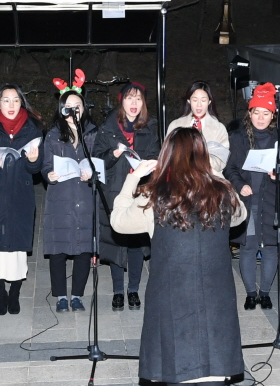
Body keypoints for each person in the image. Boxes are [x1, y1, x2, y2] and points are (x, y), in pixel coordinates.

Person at [111, 127, 247, 386]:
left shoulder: (155, 199)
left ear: (168, 156)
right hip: (215, 303)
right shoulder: (222, 195)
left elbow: (118, 221)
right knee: (214, 385)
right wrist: (215, 176)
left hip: (173, 304)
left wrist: (134, 179)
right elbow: (241, 217)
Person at [227, 84, 280, 309]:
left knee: (270, 248)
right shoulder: (238, 138)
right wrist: (239, 185)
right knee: (248, 247)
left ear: (273, 114)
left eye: (266, 112)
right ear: (249, 113)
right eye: (256, 112)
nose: (261, 117)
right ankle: (251, 293)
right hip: (248, 201)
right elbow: (229, 168)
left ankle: (265, 292)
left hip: (273, 200)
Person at [0, 84, 44, 315]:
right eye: (6, 100)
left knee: (17, 251)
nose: (11, 105)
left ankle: (14, 293)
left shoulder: (33, 128)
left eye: (16, 100)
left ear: (22, 102)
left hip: (20, 195)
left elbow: (36, 168)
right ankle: (0, 295)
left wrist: (33, 161)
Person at [92, 81, 160, 311]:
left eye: (138, 99)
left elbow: (156, 158)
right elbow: (97, 161)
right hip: (115, 191)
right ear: (121, 101)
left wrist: (143, 166)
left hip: (141, 192)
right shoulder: (108, 127)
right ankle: (118, 291)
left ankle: (133, 289)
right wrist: (113, 154)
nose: (134, 103)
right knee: (116, 240)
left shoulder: (151, 127)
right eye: (130, 98)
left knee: (136, 243)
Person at [43, 73, 100, 312]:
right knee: (58, 248)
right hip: (61, 198)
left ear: (84, 109)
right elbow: (45, 165)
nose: (73, 111)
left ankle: (77, 294)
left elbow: (101, 163)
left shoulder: (94, 134)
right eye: (68, 107)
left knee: (83, 249)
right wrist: (49, 175)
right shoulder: (53, 135)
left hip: (85, 198)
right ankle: (60, 296)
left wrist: (93, 173)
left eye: (77, 106)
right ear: (61, 110)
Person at [168, 81, 231, 175]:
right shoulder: (175, 125)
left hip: (209, 178)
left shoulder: (219, 129)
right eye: (195, 100)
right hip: (180, 177)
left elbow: (221, 160)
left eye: (203, 100)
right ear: (189, 101)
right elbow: (168, 155)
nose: (199, 105)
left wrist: (198, 160)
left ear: (209, 102)